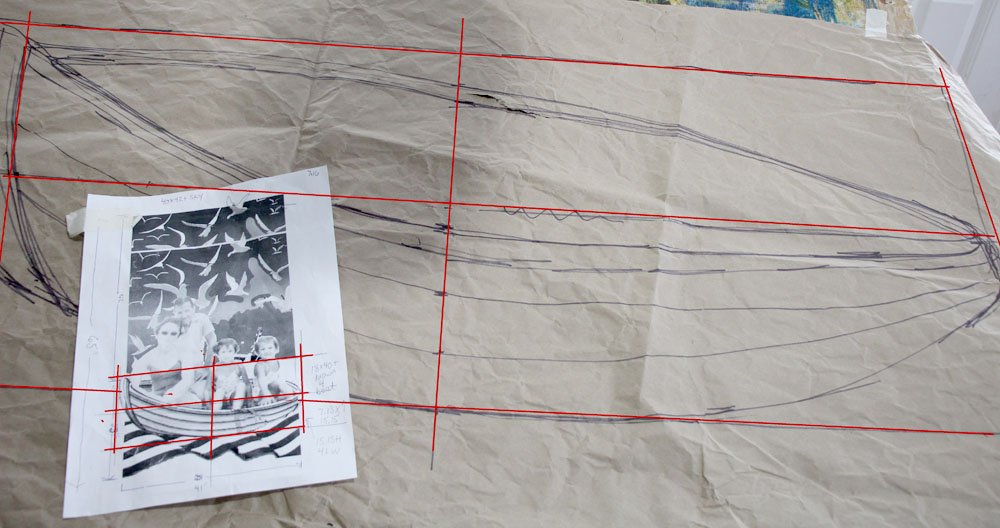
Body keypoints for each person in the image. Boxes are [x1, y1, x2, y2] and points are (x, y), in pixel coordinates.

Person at [130, 319, 200, 402]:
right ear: (157, 334)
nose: (168, 337)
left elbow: (188, 380)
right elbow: (134, 382)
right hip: (157, 399)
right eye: (164, 333)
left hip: (181, 398)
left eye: (173, 334)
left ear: (178, 336)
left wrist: (170, 396)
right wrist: (147, 397)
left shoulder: (184, 354)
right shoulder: (148, 357)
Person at [208, 338, 251, 410]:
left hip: (234, 396)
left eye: (230, 351)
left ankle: (236, 409)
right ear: (218, 354)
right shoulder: (214, 368)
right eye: (223, 352)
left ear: (235, 352)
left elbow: (247, 384)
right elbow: (208, 389)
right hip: (221, 397)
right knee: (220, 391)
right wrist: (208, 405)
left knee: (241, 385)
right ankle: (215, 411)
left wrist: (250, 401)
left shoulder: (239, 365)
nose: (227, 355)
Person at [252, 335, 294, 404]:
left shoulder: (279, 363)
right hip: (262, 392)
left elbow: (283, 380)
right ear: (257, 353)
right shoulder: (260, 365)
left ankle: (288, 398)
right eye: (263, 349)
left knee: (284, 386)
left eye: (270, 348)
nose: (267, 351)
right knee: (277, 383)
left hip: (276, 392)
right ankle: (266, 402)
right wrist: (266, 394)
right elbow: (261, 381)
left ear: (276, 349)